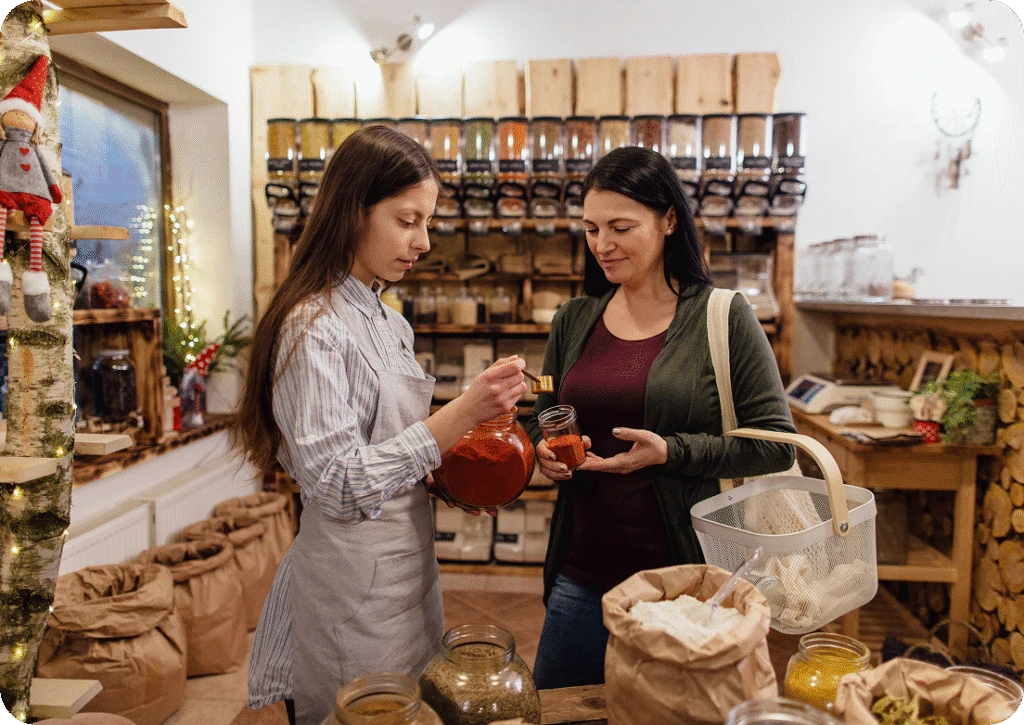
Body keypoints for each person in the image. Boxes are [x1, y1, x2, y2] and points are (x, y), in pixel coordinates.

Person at [235, 126, 527, 725]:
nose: (423, 242)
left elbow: (389, 451)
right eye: (407, 220)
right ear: (352, 211)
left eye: (427, 223)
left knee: (414, 709)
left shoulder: (388, 322)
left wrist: (450, 480)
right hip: (350, 586)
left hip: (408, 568)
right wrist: (465, 411)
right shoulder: (311, 325)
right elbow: (339, 485)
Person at [524, 146, 796, 689]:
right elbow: (543, 415)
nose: (603, 245)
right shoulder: (574, 319)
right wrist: (543, 448)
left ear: (669, 219)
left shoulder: (724, 317)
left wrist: (672, 451)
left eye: (621, 227)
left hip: (688, 584)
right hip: (583, 573)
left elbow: (775, 445)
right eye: (591, 229)